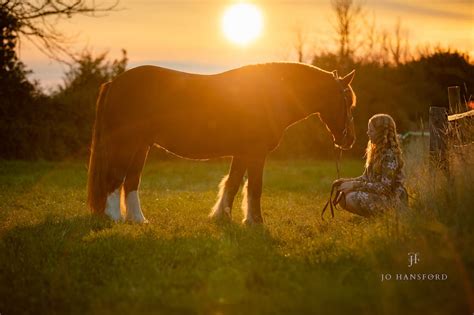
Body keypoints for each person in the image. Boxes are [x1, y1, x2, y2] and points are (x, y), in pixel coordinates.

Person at [334, 113, 408, 217]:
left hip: (392, 199)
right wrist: (346, 182)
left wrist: (354, 185)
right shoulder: (376, 152)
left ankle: (389, 216)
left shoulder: (389, 156)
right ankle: (376, 219)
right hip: (380, 196)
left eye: (371, 130)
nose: (367, 133)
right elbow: (365, 178)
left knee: (352, 197)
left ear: (380, 133)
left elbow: (385, 188)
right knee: (343, 196)